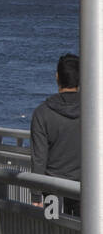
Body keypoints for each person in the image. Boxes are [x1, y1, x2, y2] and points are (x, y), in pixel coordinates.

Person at [30, 53, 81, 216]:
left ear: (57, 77)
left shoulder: (42, 113)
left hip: (52, 188)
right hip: (86, 188)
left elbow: (39, 158)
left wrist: (36, 194)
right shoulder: (94, 110)